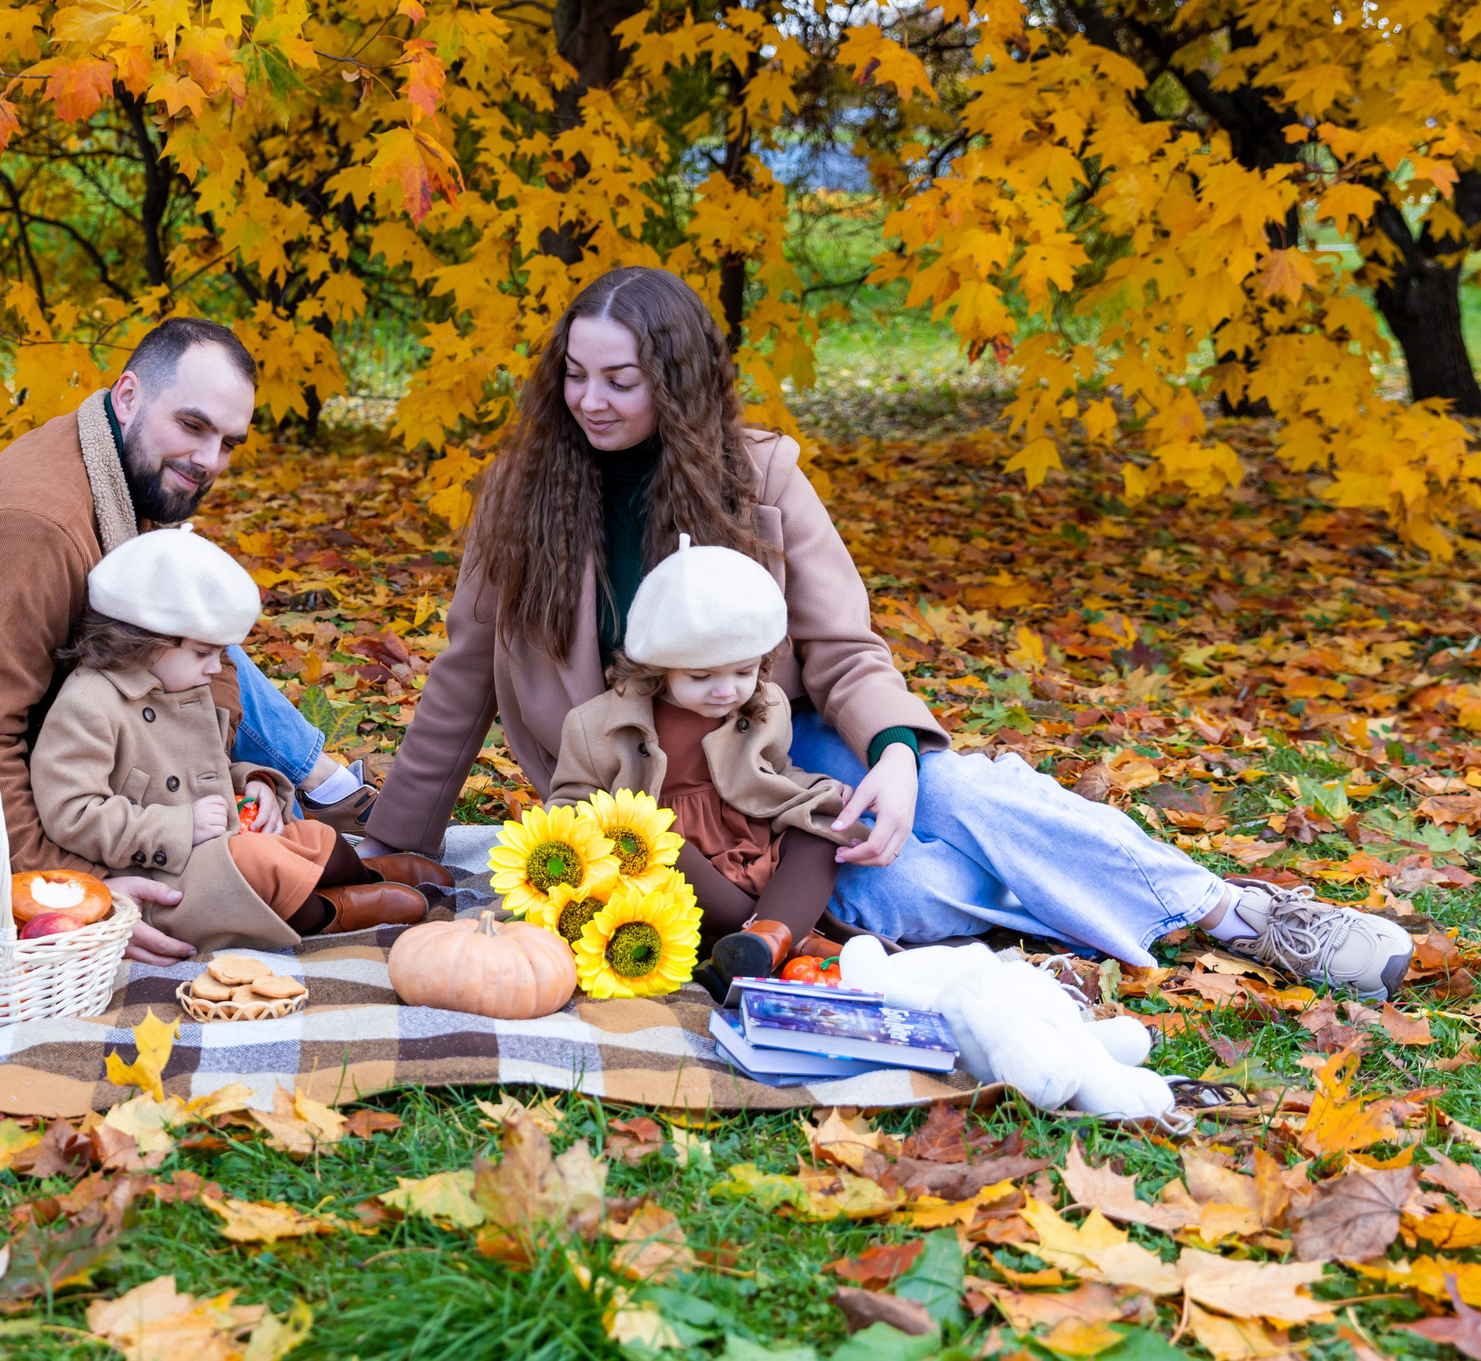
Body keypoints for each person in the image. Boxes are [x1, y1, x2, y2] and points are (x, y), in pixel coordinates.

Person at [359, 266, 1413, 998]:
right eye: (574, 377)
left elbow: (844, 649)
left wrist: (897, 757)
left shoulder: (758, 474)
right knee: (892, 888)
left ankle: (1241, 914)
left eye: (620, 380)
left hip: (768, 742)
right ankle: (1087, 909)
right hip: (639, 799)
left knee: (955, 794)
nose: (589, 399)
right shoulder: (520, 492)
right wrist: (392, 844)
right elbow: (463, 678)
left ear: (674, 381)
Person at [0, 318, 377, 967]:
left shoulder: (133, 472)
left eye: (228, 443)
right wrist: (79, 893)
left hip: (69, 748)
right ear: (127, 396)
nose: (208, 461)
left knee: (191, 639)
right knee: (214, 888)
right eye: (193, 426)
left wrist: (234, 779)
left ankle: (324, 787)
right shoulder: (30, 531)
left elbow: (199, 642)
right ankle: (334, 860)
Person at [33, 530, 445, 949]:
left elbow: (205, 767)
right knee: (257, 866)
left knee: (312, 837)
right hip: (159, 873)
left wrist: (254, 783)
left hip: (217, 842)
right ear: (144, 640)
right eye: (203, 653)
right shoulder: (88, 706)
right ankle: (330, 913)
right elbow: (71, 812)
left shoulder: (178, 682)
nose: (216, 668)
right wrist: (178, 825)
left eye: (221, 653)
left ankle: (359, 875)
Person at [546, 535, 852, 992]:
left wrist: (813, 793)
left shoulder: (765, 706)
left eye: (743, 672)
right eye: (702, 677)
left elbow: (772, 773)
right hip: (673, 860)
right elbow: (570, 803)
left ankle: (766, 942)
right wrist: (602, 833)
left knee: (823, 834)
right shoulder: (596, 725)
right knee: (654, 839)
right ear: (657, 667)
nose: (727, 690)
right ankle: (786, 938)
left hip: (748, 834)